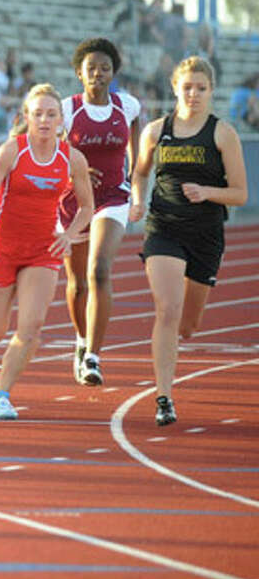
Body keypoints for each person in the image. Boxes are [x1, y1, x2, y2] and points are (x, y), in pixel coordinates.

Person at [0, 84, 94, 420]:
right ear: (27, 117)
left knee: (32, 325)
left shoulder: (72, 158)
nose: (44, 120)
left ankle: (1, 395)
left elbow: (87, 207)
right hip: (2, 248)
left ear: (61, 120)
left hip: (43, 250)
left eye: (51, 114)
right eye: (38, 114)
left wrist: (69, 234)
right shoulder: (12, 151)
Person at [131, 57, 247, 425]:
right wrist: (136, 200)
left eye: (201, 88)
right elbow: (140, 173)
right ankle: (164, 396)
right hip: (164, 228)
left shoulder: (222, 133)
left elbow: (241, 194)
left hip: (205, 236)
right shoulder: (155, 132)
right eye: (187, 87)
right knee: (167, 308)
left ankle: (175, 342)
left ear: (211, 91)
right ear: (174, 87)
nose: (193, 94)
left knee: (187, 324)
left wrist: (207, 191)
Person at [60, 38, 141, 387]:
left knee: (99, 270)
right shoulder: (66, 109)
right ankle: (80, 341)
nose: (98, 73)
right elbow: (41, 147)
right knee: (77, 285)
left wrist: (136, 186)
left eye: (104, 67)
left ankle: (93, 355)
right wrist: (71, 170)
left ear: (113, 72)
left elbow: (141, 151)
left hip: (112, 198)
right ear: (79, 73)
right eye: (91, 68)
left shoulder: (129, 106)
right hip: (73, 203)